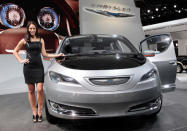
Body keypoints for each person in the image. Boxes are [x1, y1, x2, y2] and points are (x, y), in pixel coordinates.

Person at [13, 21, 64, 122]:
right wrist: (20, 60)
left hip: (38, 67)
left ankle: (40, 111)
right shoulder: (24, 40)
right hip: (28, 68)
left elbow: (45, 54)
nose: (32, 30)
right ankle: (34, 112)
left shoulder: (41, 40)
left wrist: (56, 55)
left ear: (36, 29)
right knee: (31, 90)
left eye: (34, 28)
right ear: (28, 29)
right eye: (30, 28)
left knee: (40, 89)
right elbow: (15, 51)